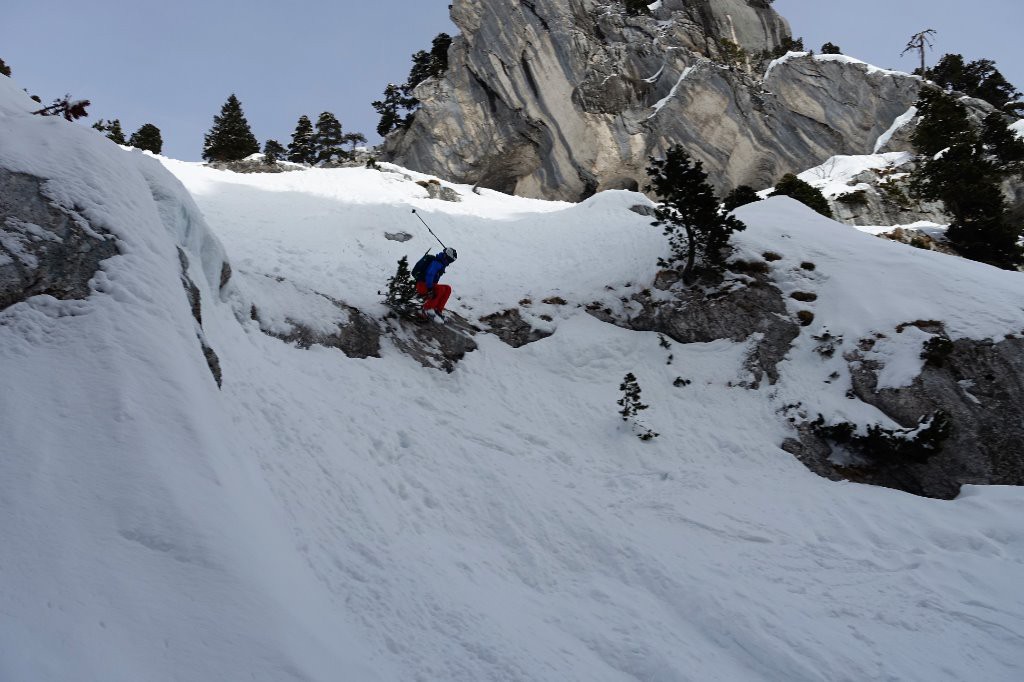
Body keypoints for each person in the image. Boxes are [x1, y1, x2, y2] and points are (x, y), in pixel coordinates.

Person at [415, 246, 457, 320]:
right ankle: (426, 309)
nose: (449, 262)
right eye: (450, 260)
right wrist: (430, 289)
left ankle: (438, 310)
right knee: (441, 290)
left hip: (428, 284)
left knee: (448, 288)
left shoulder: (441, 262)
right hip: (422, 284)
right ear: (445, 256)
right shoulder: (437, 262)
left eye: (451, 261)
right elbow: (429, 275)